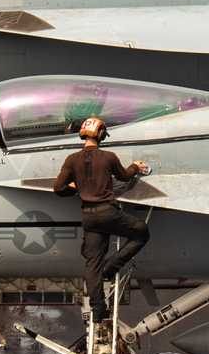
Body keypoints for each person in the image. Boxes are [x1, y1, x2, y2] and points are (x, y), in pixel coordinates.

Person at [52, 116, 150, 321]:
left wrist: (77, 187)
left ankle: (98, 311)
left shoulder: (72, 160)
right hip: (109, 213)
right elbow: (124, 176)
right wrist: (135, 166)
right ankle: (111, 267)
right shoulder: (108, 157)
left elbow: (58, 189)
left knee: (92, 264)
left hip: (89, 217)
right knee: (141, 232)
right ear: (101, 134)